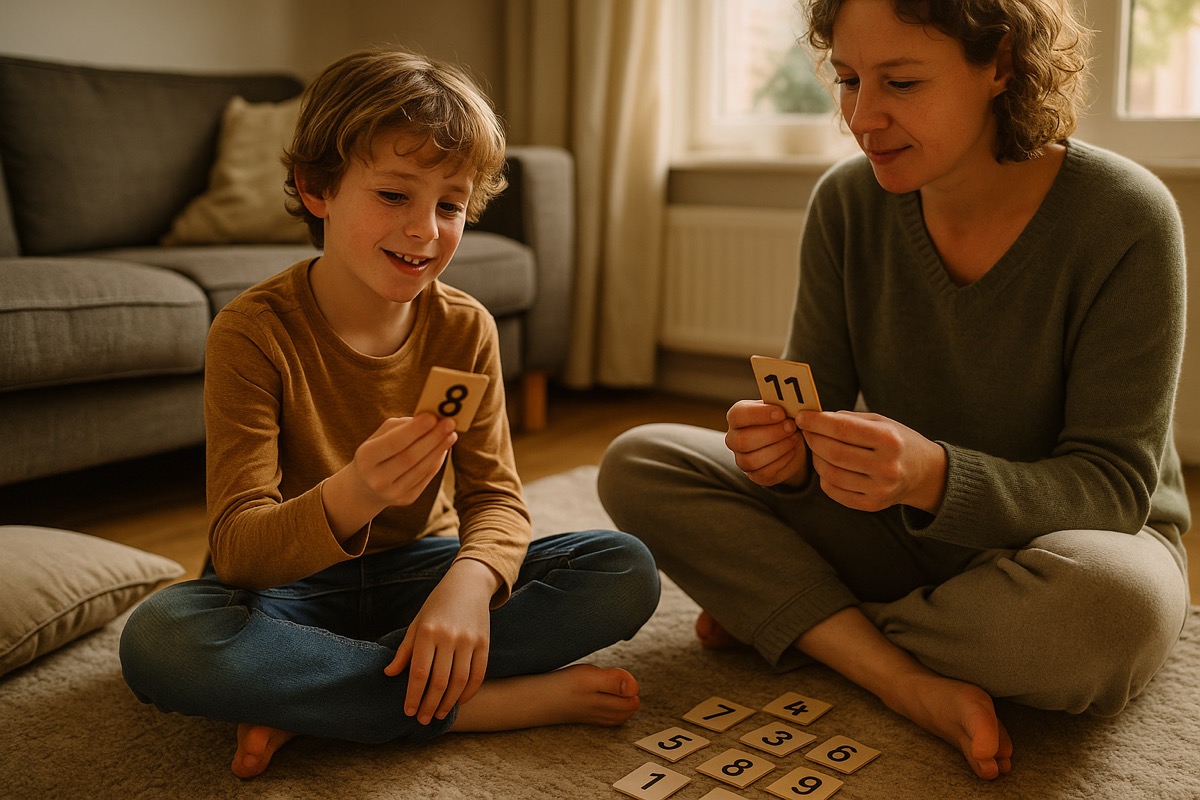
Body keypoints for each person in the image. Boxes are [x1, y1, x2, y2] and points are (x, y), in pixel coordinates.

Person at [599, 0, 1190, 781]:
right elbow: (817, 411)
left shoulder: (1127, 218)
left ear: (1001, 64)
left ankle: (804, 620)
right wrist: (782, 453)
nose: (862, 117)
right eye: (847, 79)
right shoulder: (846, 203)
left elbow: (1112, 489)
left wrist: (932, 475)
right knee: (640, 459)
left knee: (1113, 614)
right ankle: (896, 673)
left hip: (1065, 547)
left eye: (902, 83)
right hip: (891, 529)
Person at [120, 48, 659, 779]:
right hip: (287, 591)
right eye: (394, 195)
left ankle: (314, 701)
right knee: (162, 640)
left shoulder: (466, 327)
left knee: (623, 567)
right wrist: (357, 494)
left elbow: (496, 500)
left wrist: (468, 589)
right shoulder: (252, 332)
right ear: (318, 190)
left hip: (422, 572)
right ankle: (473, 703)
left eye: (450, 205)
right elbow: (241, 549)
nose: (425, 231)